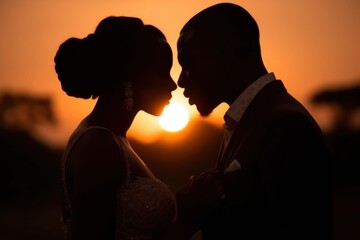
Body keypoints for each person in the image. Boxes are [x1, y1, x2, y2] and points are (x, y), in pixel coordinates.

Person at [54, 16, 222, 240]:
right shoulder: (99, 146)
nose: (173, 85)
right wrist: (186, 220)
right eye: (163, 71)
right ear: (129, 76)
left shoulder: (114, 139)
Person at [177, 3, 333, 240]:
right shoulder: (249, 119)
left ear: (233, 44)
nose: (180, 80)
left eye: (188, 63)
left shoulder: (287, 127)